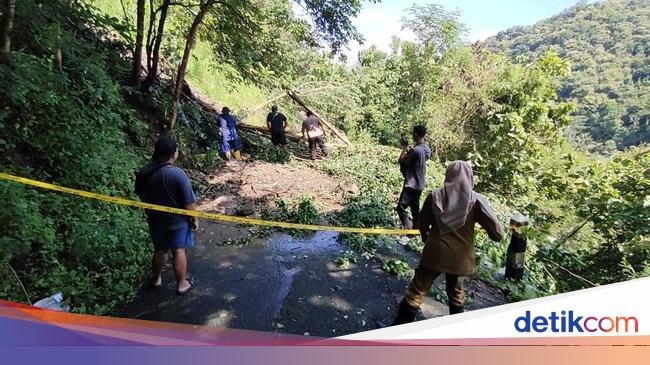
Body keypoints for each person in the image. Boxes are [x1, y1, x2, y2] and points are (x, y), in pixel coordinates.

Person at [392, 161, 504, 325]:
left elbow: (422, 225)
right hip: (460, 260)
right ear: (469, 177)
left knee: (416, 292)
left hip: (434, 255)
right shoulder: (476, 200)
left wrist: (427, 239)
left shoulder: (434, 196)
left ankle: (397, 330)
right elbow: (498, 234)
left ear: (448, 175)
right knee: (456, 294)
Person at [135, 137, 199, 296]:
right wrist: (194, 219)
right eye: (176, 150)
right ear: (173, 154)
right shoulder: (177, 174)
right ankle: (182, 284)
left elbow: (141, 195)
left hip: (155, 220)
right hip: (177, 222)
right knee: (178, 251)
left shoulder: (143, 172)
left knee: (159, 251)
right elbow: (189, 203)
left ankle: (156, 279)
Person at [396, 125, 432, 230]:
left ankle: (408, 229)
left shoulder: (415, 150)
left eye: (413, 133)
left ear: (416, 134)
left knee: (401, 207)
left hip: (411, 184)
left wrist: (404, 147)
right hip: (420, 184)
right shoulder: (426, 149)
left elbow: (402, 160)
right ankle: (417, 229)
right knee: (415, 209)